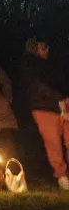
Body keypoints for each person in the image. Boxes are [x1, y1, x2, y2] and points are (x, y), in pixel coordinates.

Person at [20, 36, 69, 190]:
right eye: (42, 47)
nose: (46, 50)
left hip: (65, 106)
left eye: (47, 47)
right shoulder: (29, 66)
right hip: (45, 108)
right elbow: (38, 88)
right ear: (34, 49)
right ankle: (61, 175)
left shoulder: (54, 65)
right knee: (53, 143)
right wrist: (60, 97)